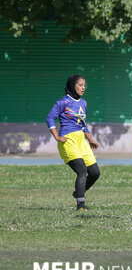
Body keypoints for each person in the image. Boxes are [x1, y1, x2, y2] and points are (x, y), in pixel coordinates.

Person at [46, 74, 101, 211]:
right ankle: (81, 205)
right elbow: (50, 118)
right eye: (80, 85)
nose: (83, 88)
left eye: (84, 85)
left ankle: (78, 192)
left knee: (95, 172)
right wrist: (57, 136)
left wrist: (91, 139)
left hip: (81, 140)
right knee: (82, 170)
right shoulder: (63, 102)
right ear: (72, 85)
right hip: (68, 140)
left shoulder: (84, 103)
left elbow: (83, 125)